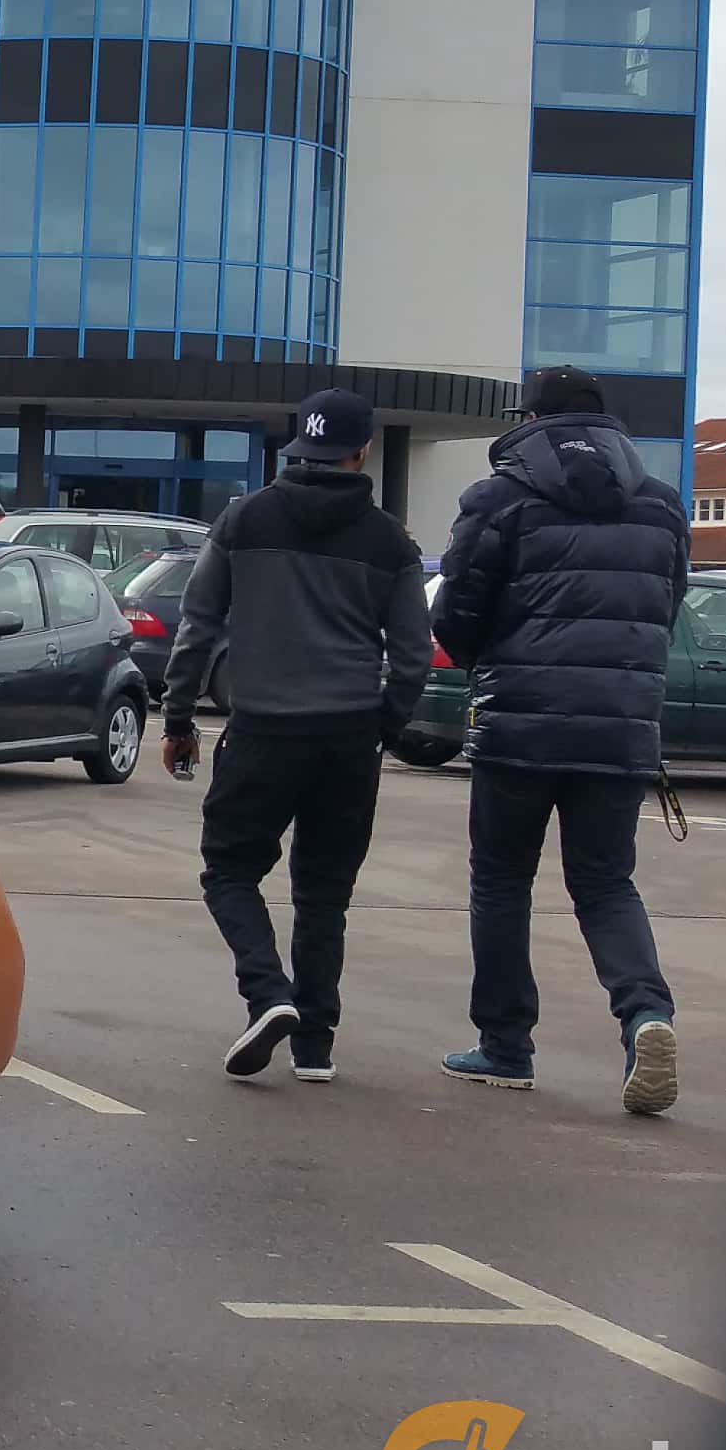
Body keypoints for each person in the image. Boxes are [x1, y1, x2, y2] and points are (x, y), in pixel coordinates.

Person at [429, 365, 688, 1113]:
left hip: (519, 720)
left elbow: (456, 613)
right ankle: (647, 1016)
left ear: (530, 418)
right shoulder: (661, 505)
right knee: (606, 884)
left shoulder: (499, 499)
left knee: (502, 880)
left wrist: (496, 663)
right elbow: (666, 607)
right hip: (619, 722)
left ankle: (506, 1046)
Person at [161, 388, 431, 1085]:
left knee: (228, 870)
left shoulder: (242, 519)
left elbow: (197, 627)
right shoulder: (390, 541)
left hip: (263, 731)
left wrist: (180, 718)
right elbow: (411, 653)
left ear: (296, 447)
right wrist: (385, 727)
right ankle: (315, 1047)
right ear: (362, 450)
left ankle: (267, 993)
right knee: (323, 895)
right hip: (347, 737)